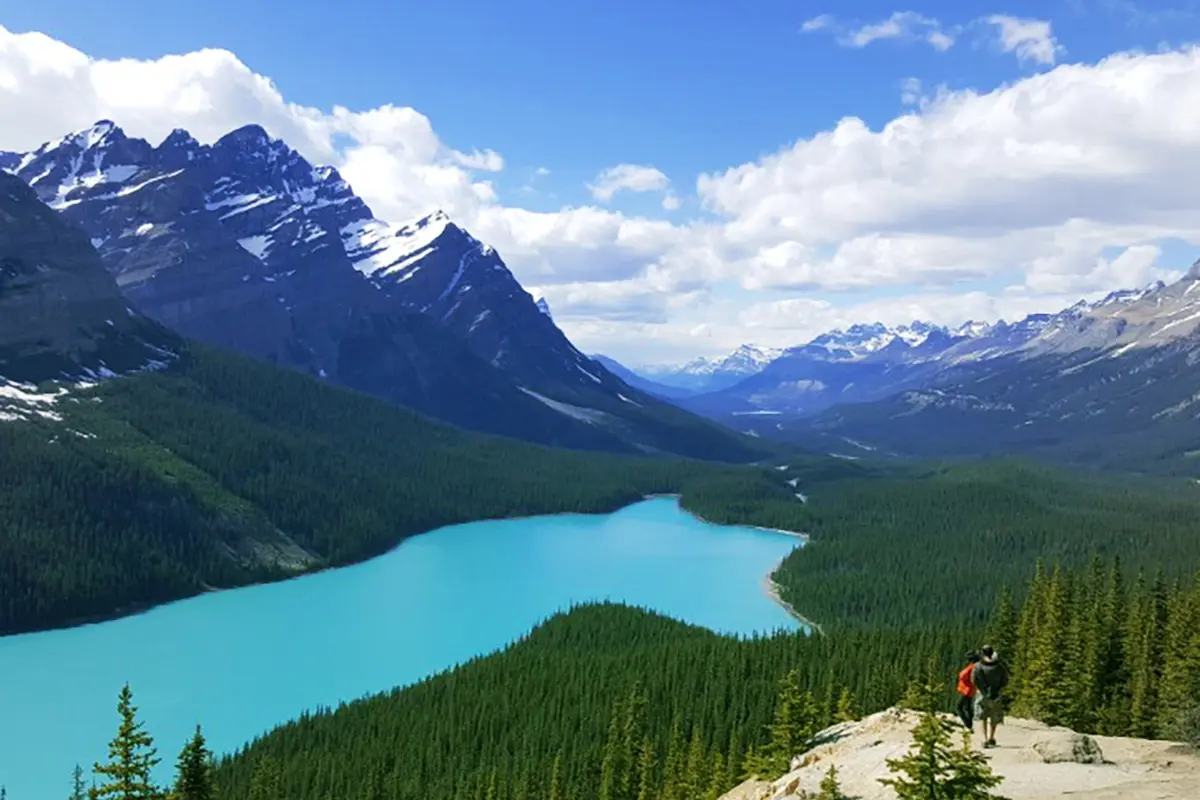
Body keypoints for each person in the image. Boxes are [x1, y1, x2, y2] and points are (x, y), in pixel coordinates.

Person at [972, 645, 1009, 748]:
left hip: (982, 695)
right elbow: (1005, 680)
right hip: (996, 695)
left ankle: (984, 739)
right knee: (994, 716)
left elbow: (973, 680)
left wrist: (982, 689)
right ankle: (991, 737)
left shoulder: (977, 666)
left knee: (983, 717)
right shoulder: (1000, 666)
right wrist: (997, 689)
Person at [956, 651, 981, 731]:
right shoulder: (977, 666)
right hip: (972, 689)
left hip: (966, 689)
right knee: (967, 707)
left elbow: (962, 675)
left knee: (959, 707)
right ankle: (969, 724)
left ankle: (968, 724)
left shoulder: (972, 666)